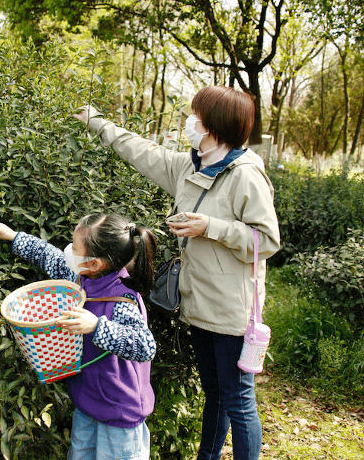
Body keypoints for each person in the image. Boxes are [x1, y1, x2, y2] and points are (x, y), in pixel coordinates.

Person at [73, 86, 281, 460]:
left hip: (232, 310)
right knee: (215, 394)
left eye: (197, 117)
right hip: (198, 302)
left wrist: (211, 227)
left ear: (216, 126)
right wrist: (96, 122)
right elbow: (141, 151)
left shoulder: (245, 176)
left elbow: (267, 241)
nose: (190, 123)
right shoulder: (190, 166)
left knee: (238, 400)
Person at [0, 213, 157, 460]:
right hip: (88, 403)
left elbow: (145, 346)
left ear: (95, 263)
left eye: (74, 248)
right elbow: (49, 256)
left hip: (120, 413)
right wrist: (14, 237)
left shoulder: (123, 301)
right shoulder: (80, 277)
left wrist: (98, 327)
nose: (68, 252)